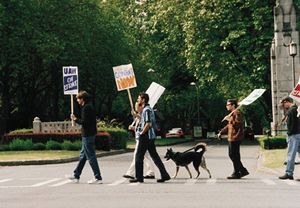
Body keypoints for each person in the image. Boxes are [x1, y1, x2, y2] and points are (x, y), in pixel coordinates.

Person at [130, 92, 170, 183]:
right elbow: (144, 120)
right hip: (150, 136)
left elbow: (148, 123)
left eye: (139, 98)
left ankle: (139, 177)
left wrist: (141, 133)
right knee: (155, 156)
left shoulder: (147, 110)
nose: (138, 99)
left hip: (146, 136)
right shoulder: (147, 109)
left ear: (143, 100)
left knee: (139, 156)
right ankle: (165, 174)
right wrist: (136, 116)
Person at [67, 90, 102, 184]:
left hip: (88, 135)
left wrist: (75, 119)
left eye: (78, 99)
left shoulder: (86, 108)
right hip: (89, 134)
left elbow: (85, 122)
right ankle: (76, 175)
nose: (77, 101)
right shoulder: (89, 106)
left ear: (82, 99)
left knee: (91, 156)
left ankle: (98, 177)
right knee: (83, 156)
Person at [217, 99, 249, 179]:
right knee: (233, 155)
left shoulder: (237, 113)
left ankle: (237, 172)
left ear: (233, 105)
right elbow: (229, 126)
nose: (227, 106)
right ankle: (241, 171)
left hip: (236, 137)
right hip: (232, 137)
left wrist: (229, 119)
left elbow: (238, 124)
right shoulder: (232, 113)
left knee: (233, 155)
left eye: (228, 104)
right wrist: (221, 132)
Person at [123, 102, 155, 179]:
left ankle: (131, 173)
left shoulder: (143, 114)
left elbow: (144, 121)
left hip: (142, 139)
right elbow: (139, 128)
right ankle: (151, 172)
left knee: (136, 155)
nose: (135, 108)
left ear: (141, 107)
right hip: (139, 138)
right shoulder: (138, 116)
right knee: (146, 156)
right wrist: (133, 127)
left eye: (136, 106)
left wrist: (136, 115)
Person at [279, 96, 300, 180]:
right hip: (298, 133)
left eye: (283, 104)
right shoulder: (297, 109)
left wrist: (289, 134)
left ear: (287, 102)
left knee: (291, 154)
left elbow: (291, 125)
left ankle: (289, 173)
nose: (283, 106)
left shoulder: (292, 111)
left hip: (294, 135)